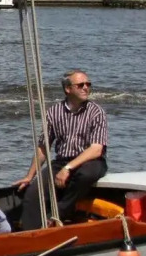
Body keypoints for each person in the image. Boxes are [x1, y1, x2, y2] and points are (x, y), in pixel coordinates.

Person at [15, 70, 108, 230]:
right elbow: (43, 147)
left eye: (88, 84)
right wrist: (30, 176)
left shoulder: (96, 112)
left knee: (86, 174)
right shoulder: (53, 112)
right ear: (67, 89)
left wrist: (68, 168)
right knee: (32, 194)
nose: (86, 88)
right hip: (62, 161)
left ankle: (59, 212)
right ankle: (31, 234)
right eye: (80, 85)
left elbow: (96, 149)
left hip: (90, 161)